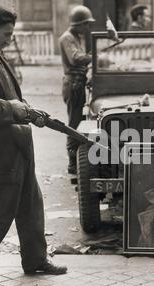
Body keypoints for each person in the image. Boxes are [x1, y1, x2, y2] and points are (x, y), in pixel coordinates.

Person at [0, 4, 67, 286]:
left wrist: (30, 112)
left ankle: (34, 260)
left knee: (31, 205)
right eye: (6, 33)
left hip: (18, 144)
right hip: (0, 151)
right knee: (0, 211)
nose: (10, 39)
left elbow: (12, 99)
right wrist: (14, 108)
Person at [59, 5, 95, 174]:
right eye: (86, 24)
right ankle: (73, 164)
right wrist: (93, 56)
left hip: (77, 83)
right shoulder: (67, 38)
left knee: (80, 122)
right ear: (78, 24)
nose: (88, 28)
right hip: (73, 84)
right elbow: (75, 59)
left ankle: (76, 162)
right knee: (74, 124)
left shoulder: (75, 37)